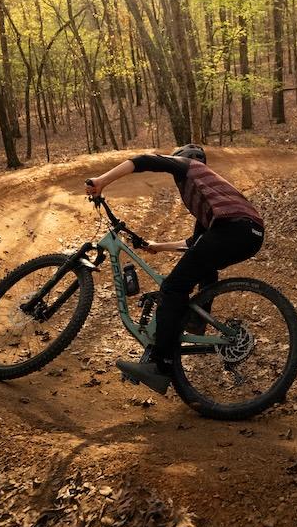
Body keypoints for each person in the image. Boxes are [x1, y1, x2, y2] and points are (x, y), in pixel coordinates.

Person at [85, 144, 265, 394]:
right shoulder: (209, 193)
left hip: (234, 230)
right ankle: (198, 319)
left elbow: (144, 160)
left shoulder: (190, 167)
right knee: (202, 262)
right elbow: (195, 244)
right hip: (249, 234)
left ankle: (161, 366)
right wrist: (158, 246)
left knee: (172, 287)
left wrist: (101, 181)